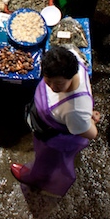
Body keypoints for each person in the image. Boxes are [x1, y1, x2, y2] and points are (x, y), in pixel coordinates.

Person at [11, 46, 101, 197]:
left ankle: (35, 179)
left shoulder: (75, 111)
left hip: (54, 138)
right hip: (48, 119)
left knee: (47, 163)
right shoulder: (71, 58)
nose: (52, 87)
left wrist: (88, 120)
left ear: (71, 76)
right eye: (48, 80)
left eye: (59, 84)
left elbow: (92, 134)